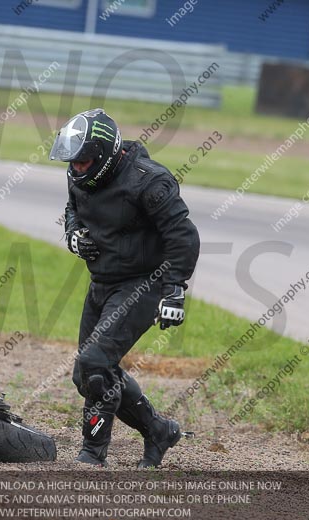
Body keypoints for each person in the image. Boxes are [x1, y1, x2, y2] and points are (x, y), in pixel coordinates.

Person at [49, 108, 200, 468]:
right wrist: (74, 235)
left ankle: (92, 455)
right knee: (86, 375)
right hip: (102, 282)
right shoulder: (79, 175)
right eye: (72, 162)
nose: (76, 168)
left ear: (103, 155)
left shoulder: (150, 182)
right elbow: (73, 209)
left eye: (83, 161)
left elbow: (184, 236)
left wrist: (175, 290)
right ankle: (158, 430)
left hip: (144, 283)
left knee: (94, 363)